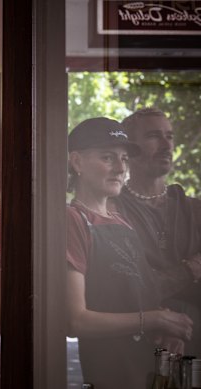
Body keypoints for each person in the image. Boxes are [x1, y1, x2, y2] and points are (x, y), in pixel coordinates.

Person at [65, 117, 194, 388]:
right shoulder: (73, 219)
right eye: (107, 157)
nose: (120, 168)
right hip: (111, 371)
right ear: (77, 162)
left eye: (123, 159)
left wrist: (166, 326)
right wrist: (154, 319)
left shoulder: (122, 223)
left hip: (147, 371)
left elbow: (140, 296)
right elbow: (76, 321)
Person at [111, 107, 201, 358]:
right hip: (132, 351)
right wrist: (191, 268)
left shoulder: (194, 210)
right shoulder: (112, 209)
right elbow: (126, 287)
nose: (166, 145)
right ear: (129, 149)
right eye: (153, 136)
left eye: (169, 136)